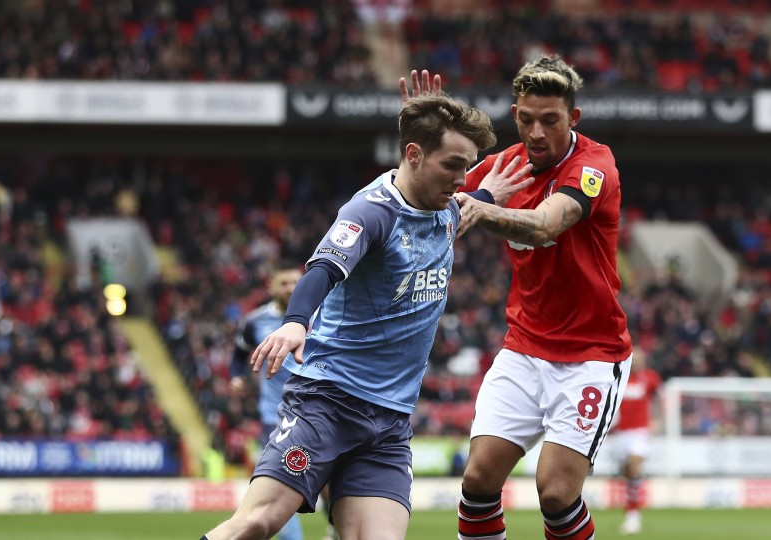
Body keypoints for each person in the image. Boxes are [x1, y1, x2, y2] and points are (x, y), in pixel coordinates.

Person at [200, 93, 530, 540]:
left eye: (468, 167)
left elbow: (468, 203)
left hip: (389, 422)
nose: (462, 179)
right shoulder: (372, 211)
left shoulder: (446, 210)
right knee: (256, 524)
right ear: (413, 155)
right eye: (453, 165)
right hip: (328, 402)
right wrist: (296, 320)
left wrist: (490, 194)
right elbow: (323, 269)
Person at [402, 55, 634, 540]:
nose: (536, 132)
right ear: (514, 115)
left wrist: (482, 208)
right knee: (479, 479)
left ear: (572, 119)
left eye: (550, 121)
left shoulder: (594, 165)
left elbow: (549, 224)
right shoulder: (503, 166)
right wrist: (420, 146)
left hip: (591, 355)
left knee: (554, 492)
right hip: (524, 349)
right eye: (526, 119)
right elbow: (420, 194)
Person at [229, 261, 305, 540]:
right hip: (273, 419)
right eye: (283, 283)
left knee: (329, 488)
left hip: (316, 413)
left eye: (295, 283)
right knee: (277, 488)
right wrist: (236, 377)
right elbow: (238, 354)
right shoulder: (254, 322)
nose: (290, 289)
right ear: (271, 286)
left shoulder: (321, 316)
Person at [606, 351, 661, 535]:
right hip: (620, 433)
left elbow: (659, 399)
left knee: (633, 466)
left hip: (640, 431)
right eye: (634, 359)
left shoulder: (650, 378)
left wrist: (657, 420)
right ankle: (631, 509)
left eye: (639, 359)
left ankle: (633, 516)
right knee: (627, 474)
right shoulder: (618, 377)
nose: (636, 362)